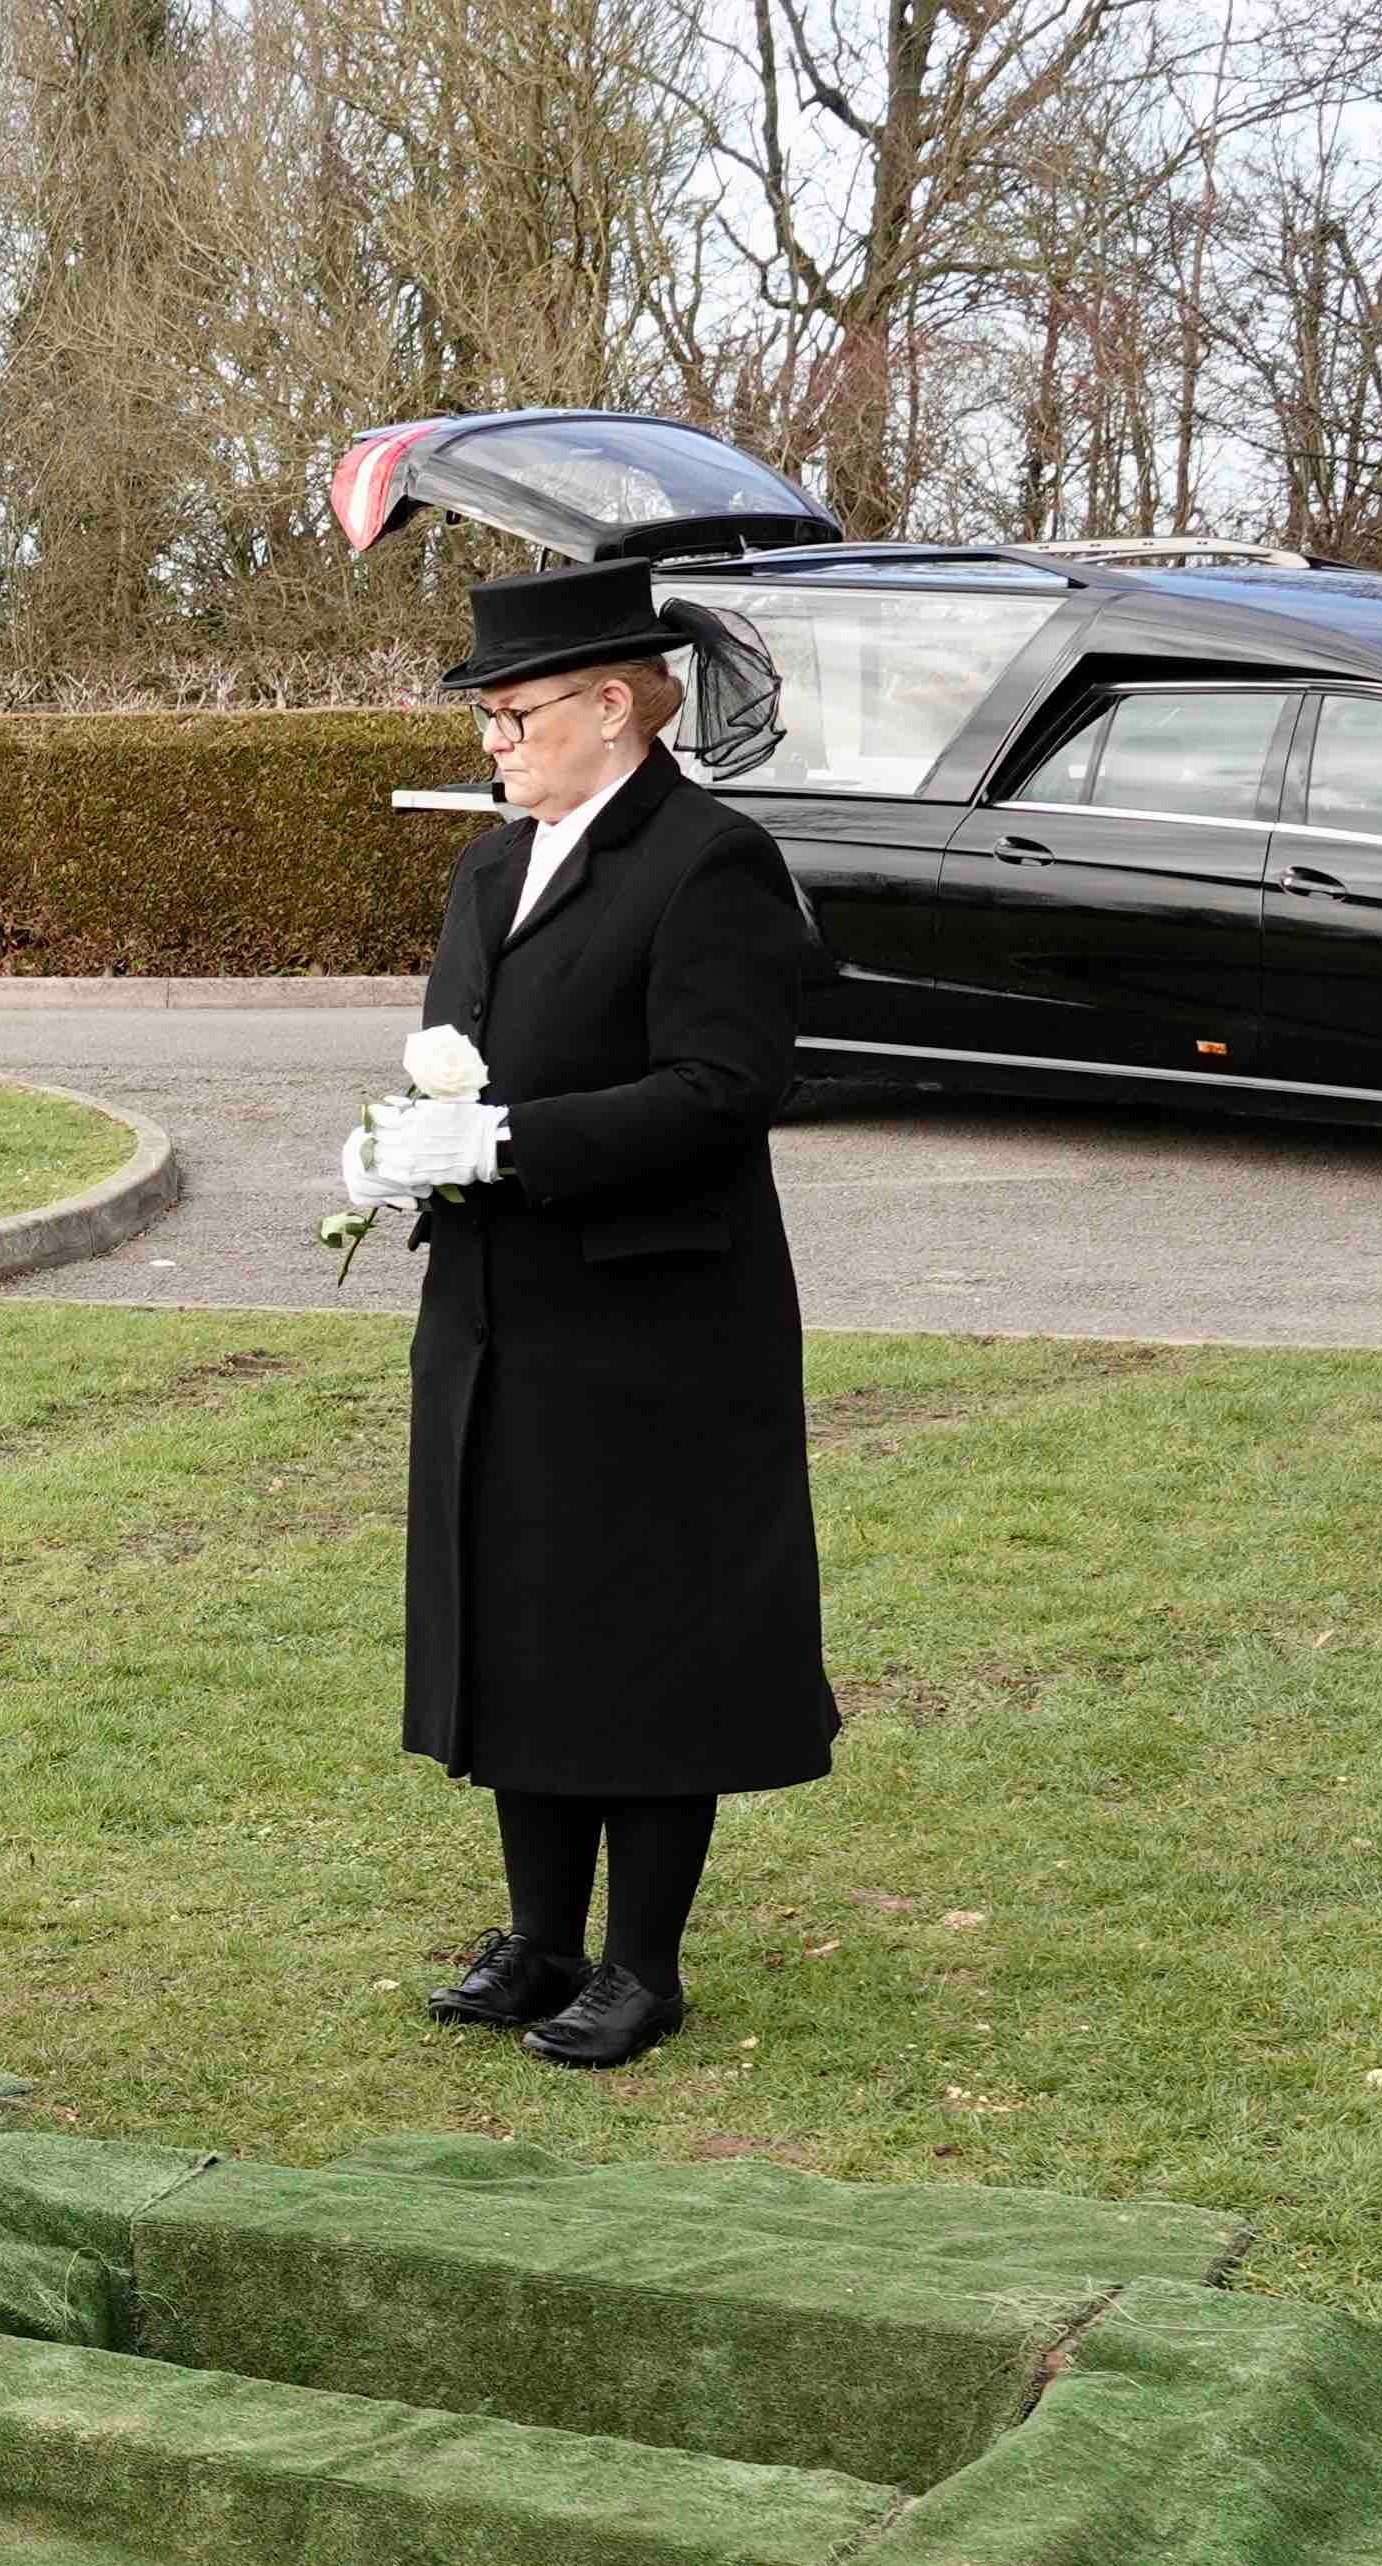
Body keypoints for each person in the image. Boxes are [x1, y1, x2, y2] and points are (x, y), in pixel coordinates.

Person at [352, 555, 839, 2069]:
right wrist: (407, 1154)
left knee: (641, 1631)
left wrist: (513, 1142)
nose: (494, 741)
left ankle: (641, 1963)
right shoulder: (492, 868)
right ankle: (541, 1937)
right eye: (487, 718)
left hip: (654, 1325)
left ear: (616, 706)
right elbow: (467, 1056)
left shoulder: (710, 861)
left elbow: (728, 1086)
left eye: (514, 713)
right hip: (497, 1310)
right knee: (520, 1620)